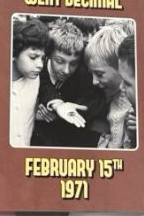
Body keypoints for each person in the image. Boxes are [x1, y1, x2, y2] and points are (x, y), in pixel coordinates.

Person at [32, 19, 105, 147]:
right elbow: (44, 84)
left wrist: (59, 113)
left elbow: (95, 102)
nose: (66, 70)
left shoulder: (84, 71)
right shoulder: (37, 67)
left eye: (73, 63)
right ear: (48, 54)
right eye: (60, 61)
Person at [85, 26, 137, 149]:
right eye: (91, 74)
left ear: (120, 66)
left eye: (99, 74)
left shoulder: (134, 101)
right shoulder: (109, 96)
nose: (94, 82)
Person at [9, 18, 50, 147]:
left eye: (42, 58)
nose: (40, 65)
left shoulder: (36, 79)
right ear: (14, 53)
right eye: (33, 57)